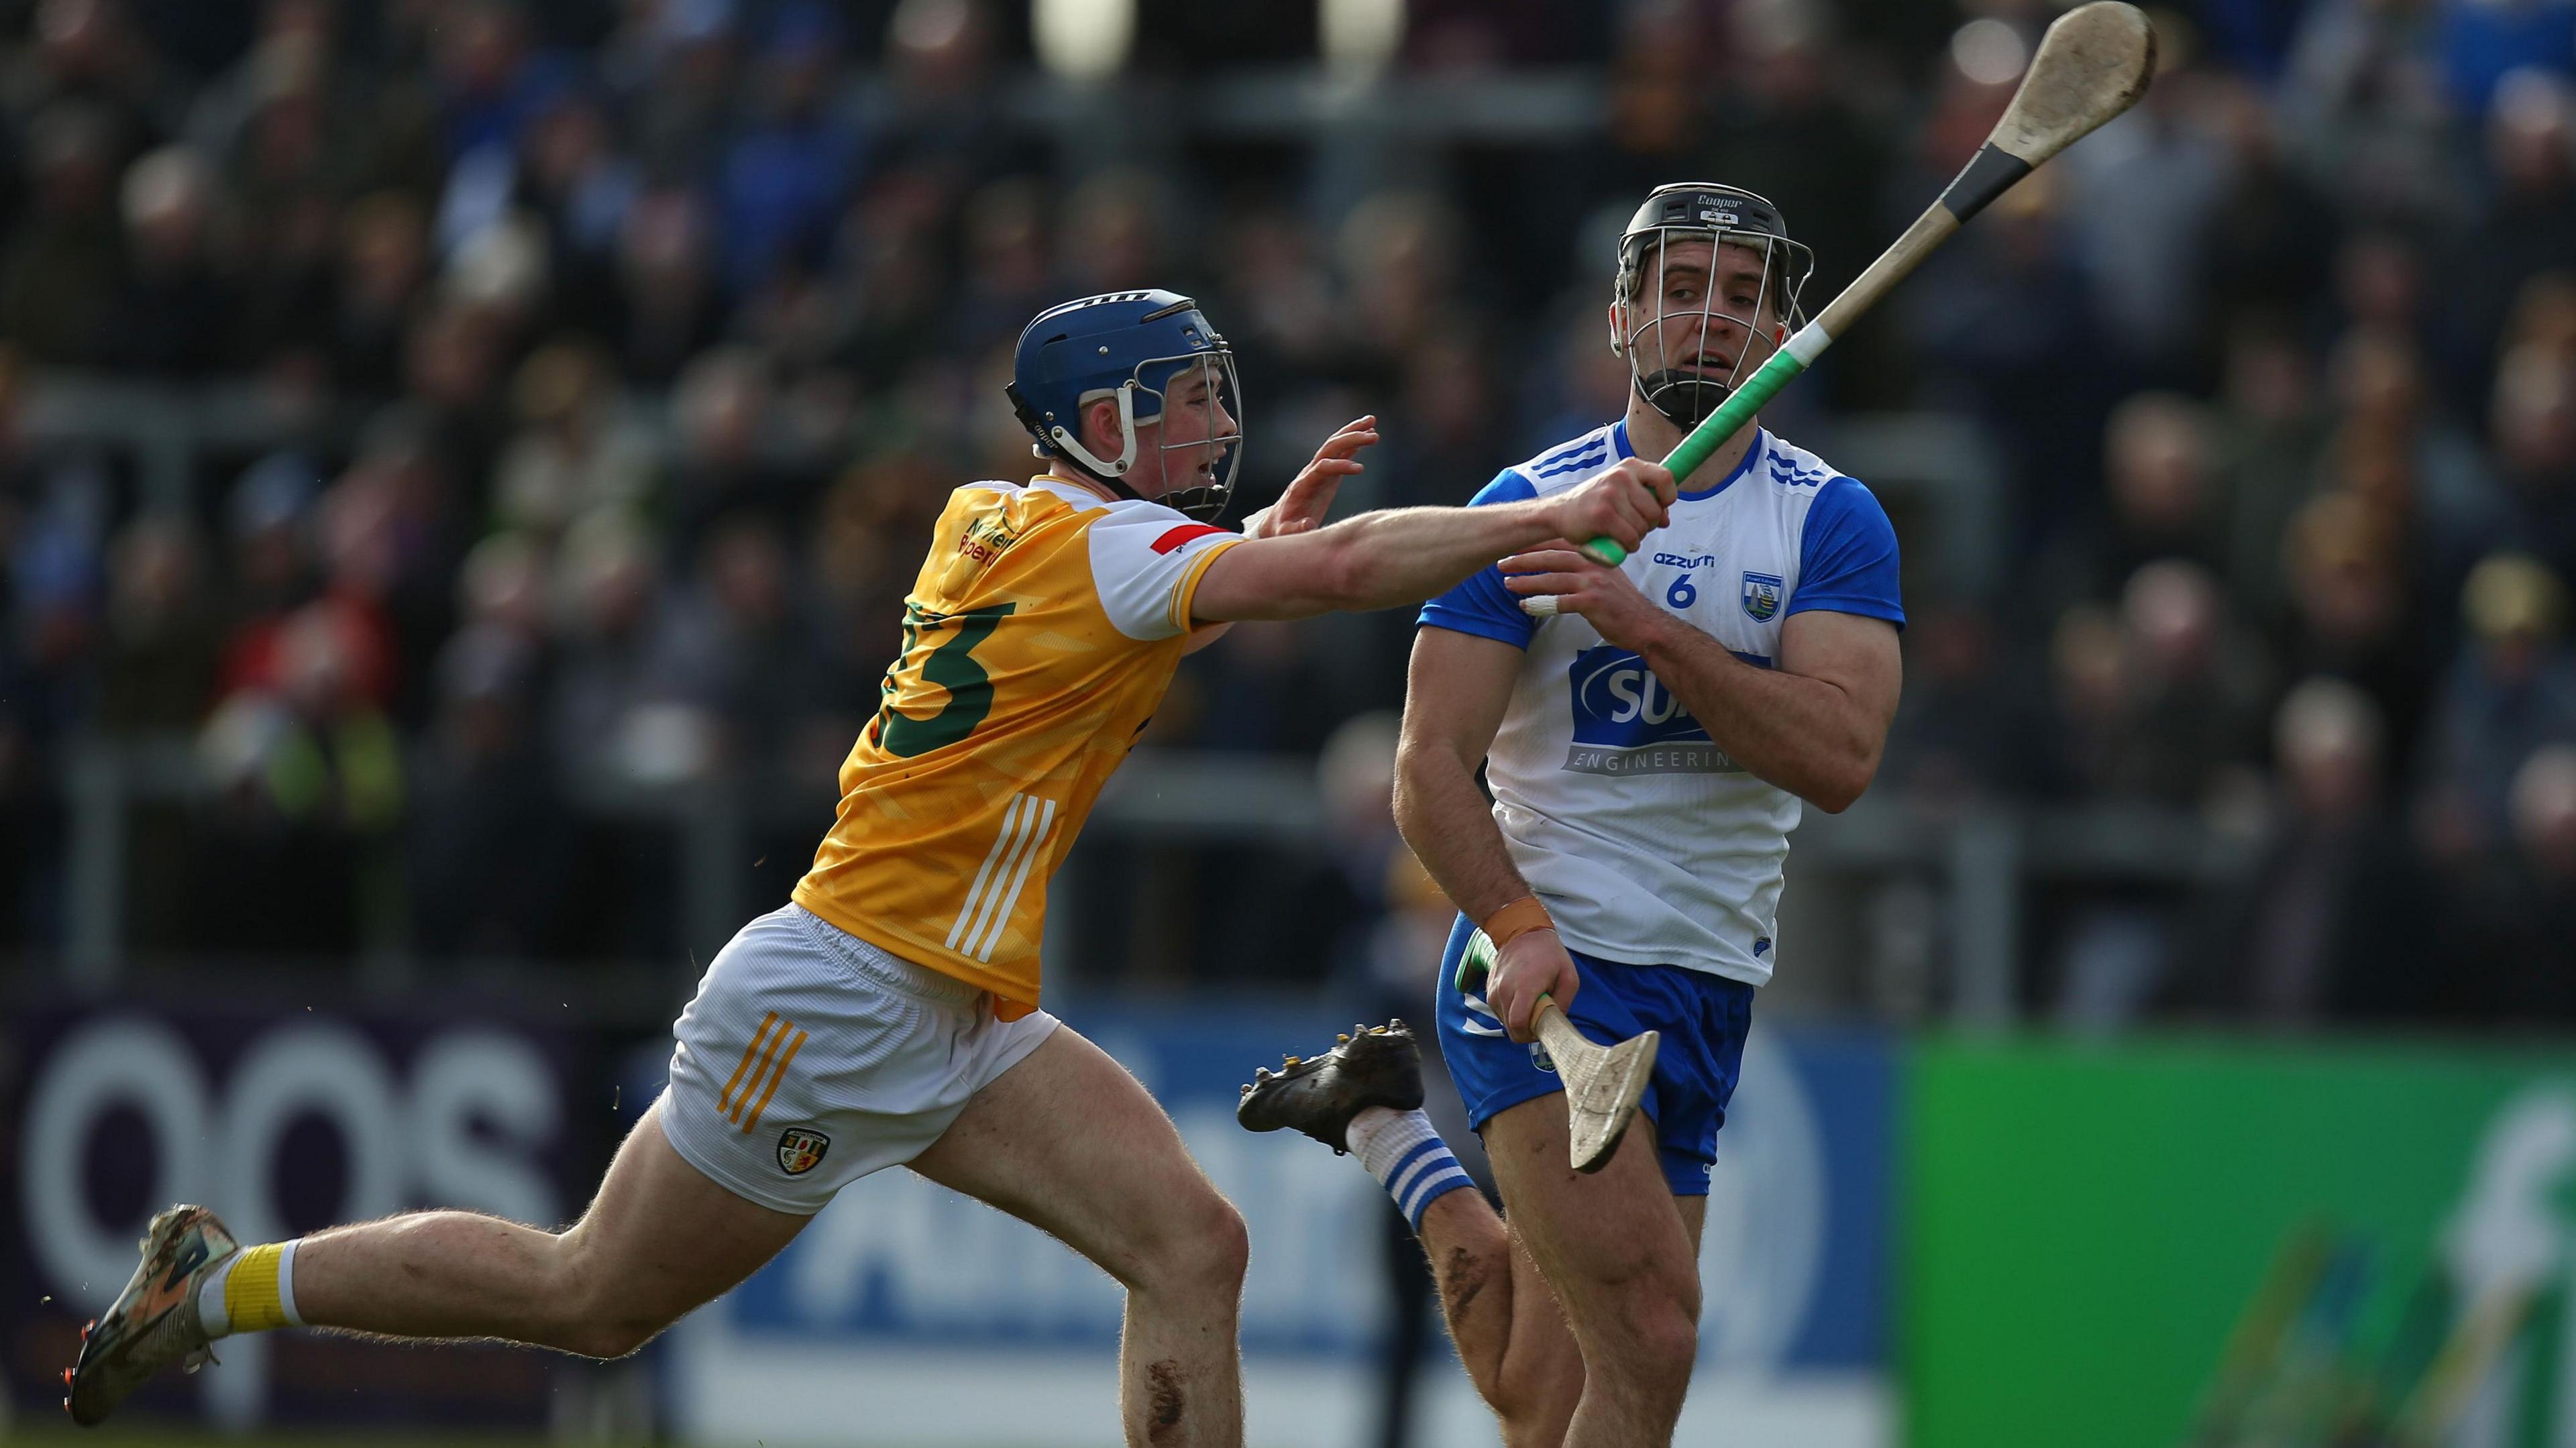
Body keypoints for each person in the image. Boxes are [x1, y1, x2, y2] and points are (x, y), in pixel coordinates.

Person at [64, 290, 1678, 1446]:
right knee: (591, 1298)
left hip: (961, 1007)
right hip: (838, 997)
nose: (1205, 427)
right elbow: (1323, 573)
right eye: (1168, 406)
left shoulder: (1002, 512)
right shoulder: (1114, 552)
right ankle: (222, 1287)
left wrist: (1237, 539)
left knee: (1194, 1247)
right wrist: (1534, 515)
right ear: (1087, 428)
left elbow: (1147, 602)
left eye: (1208, 397)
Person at [1240, 184, 1905, 1447]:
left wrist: (1646, 627)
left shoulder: (1831, 519)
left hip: (1710, 984)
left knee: (1539, 1398)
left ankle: (1392, 1135)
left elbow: (1839, 757)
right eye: (1681, 287)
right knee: (1653, 1341)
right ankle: (1413, 1109)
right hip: (1547, 974)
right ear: (1624, 318)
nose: (1711, 315)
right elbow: (1426, 769)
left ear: (1777, 329)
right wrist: (1515, 921)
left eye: (1741, 292)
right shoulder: (1532, 504)